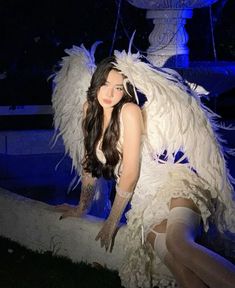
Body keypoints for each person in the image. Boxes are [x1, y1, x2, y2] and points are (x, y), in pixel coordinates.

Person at [52, 44, 235, 288]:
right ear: (96, 84)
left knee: (177, 244)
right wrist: (82, 207)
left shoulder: (129, 111)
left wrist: (112, 221)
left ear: (125, 90)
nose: (110, 93)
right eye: (105, 84)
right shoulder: (89, 111)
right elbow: (89, 165)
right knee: (175, 262)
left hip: (173, 187)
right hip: (143, 204)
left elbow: (130, 173)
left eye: (118, 88)